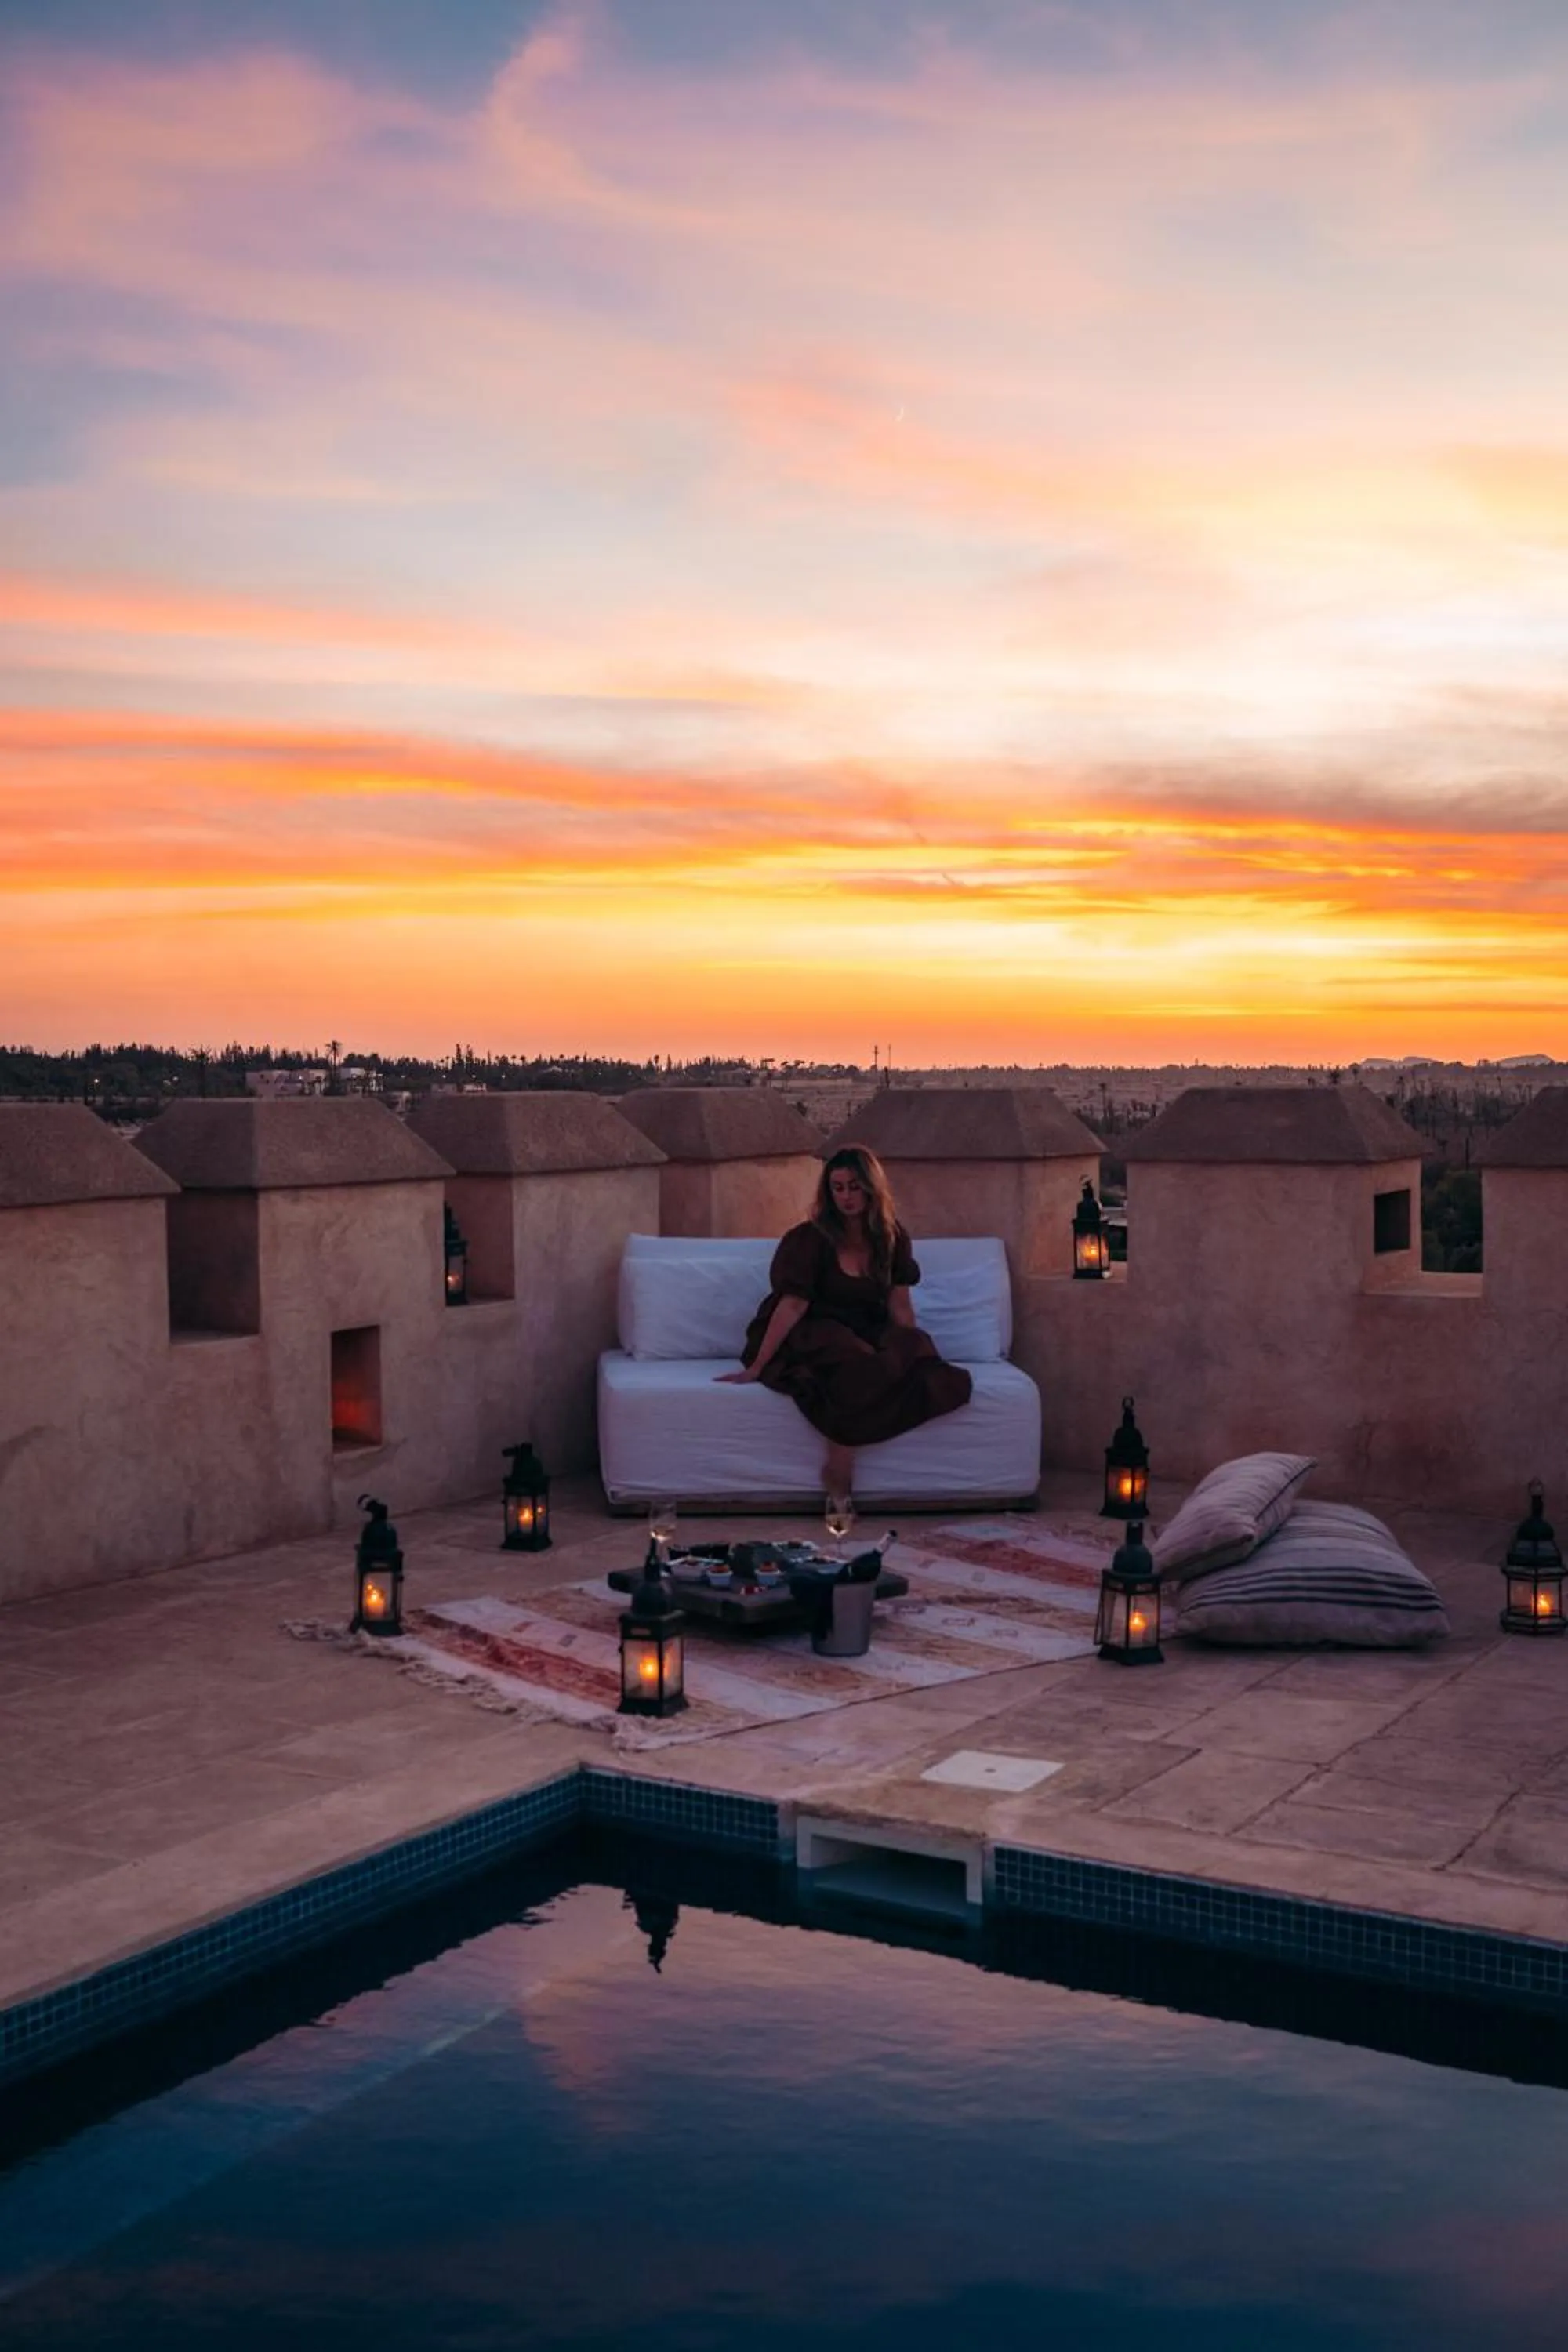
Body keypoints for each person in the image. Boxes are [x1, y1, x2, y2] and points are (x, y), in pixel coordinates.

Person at [715, 1146, 972, 1496]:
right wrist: (758, 1365)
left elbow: (900, 1306)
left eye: (854, 1186)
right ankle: (841, 1458)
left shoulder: (891, 1238)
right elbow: (792, 1305)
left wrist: (910, 1353)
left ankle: (848, 1431)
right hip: (814, 1327)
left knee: (920, 1357)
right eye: (837, 1188)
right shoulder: (811, 1239)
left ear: (871, 1188)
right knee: (851, 1355)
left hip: (867, 1326)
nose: (846, 1197)